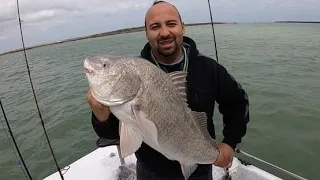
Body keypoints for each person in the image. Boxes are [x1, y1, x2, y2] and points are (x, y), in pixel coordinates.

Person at [86, 1, 249, 179]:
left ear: (182, 27)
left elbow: (237, 103)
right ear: (146, 33)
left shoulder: (209, 68)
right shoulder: (137, 70)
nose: (164, 32)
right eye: (155, 27)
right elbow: (113, 135)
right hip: (151, 172)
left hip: (199, 170)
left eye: (171, 24)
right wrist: (101, 116)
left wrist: (229, 143)